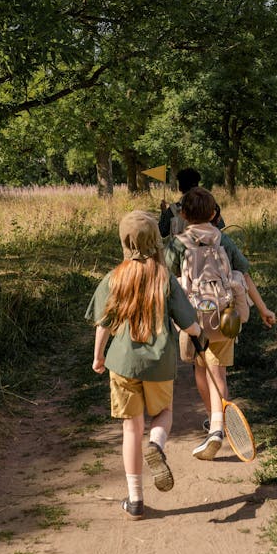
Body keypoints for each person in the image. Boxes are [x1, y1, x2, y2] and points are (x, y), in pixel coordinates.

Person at [85, 210, 202, 519]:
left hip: (123, 363)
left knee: (130, 428)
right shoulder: (164, 278)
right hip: (160, 363)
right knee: (163, 412)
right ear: (155, 240)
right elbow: (188, 322)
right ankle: (158, 445)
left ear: (125, 241)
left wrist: (98, 356)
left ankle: (135, 499)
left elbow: (104, 323)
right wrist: (198, 334)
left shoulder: (115, 277)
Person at [164, 186, 276, 460]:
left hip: (192, 319)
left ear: (184, 214)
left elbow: (168, 280)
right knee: (219, 373)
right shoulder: (224, 241)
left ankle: (215, 422)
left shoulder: (178, 243)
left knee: (200, 372)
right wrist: (263, 309)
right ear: (214, 214)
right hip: (225, 317)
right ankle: (217, 424)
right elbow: (245, 276)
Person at [159, 166, 225, 238]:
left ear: (180, 187)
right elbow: (221, 225)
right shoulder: (210, 205)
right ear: (197, 185)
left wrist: (164, 212)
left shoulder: (173, 210)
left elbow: (162, 232)